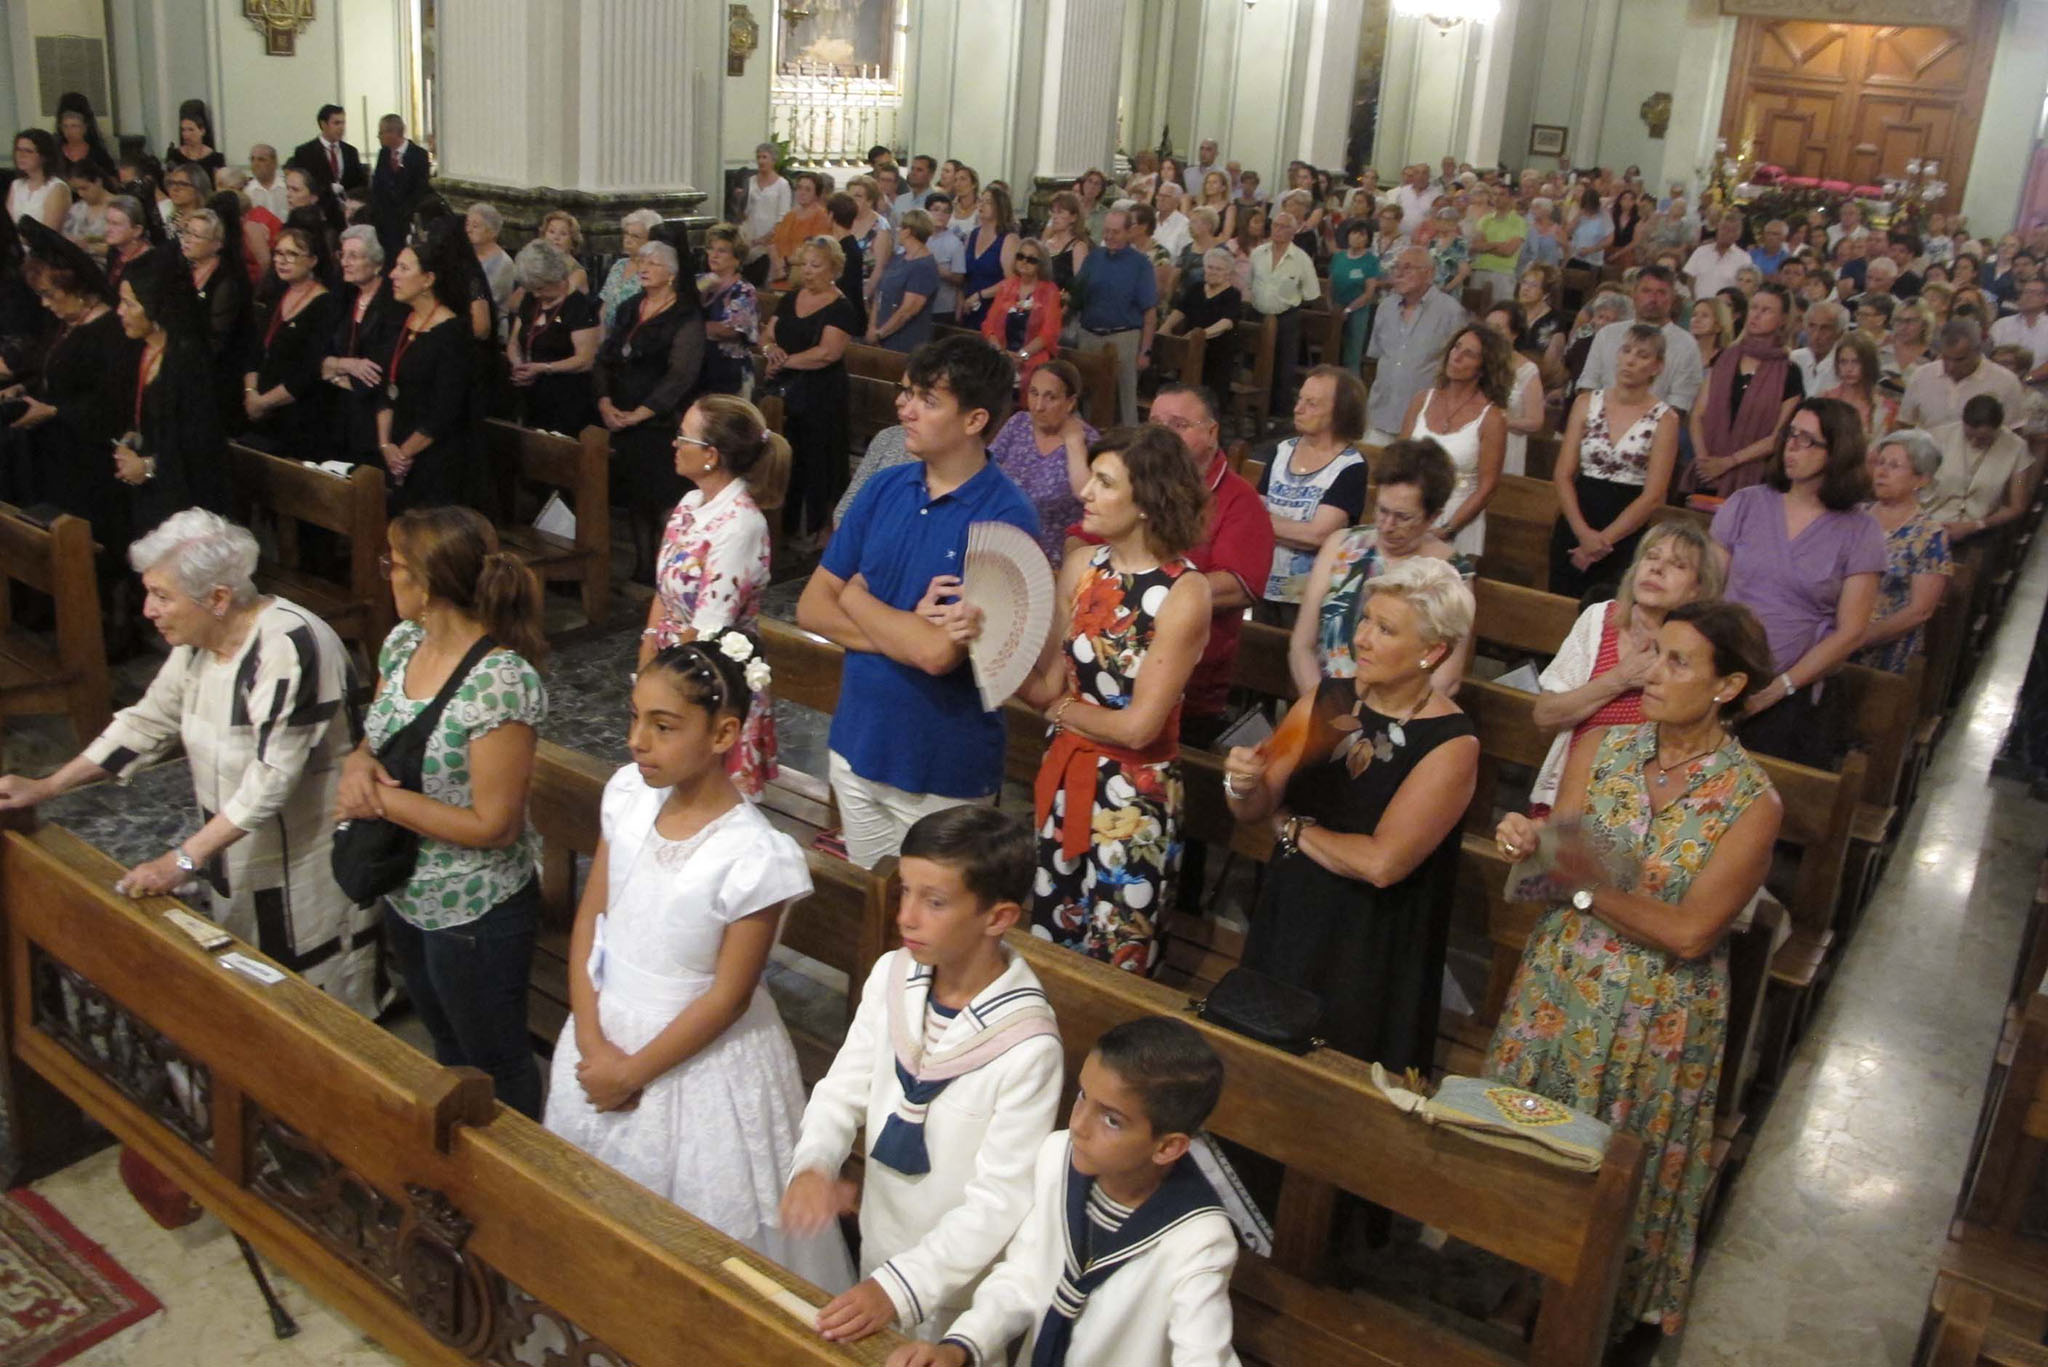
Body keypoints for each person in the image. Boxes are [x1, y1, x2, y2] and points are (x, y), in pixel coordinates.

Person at [1489, 601, 1781, 1349]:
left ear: (1728, 686)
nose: (1652, 672)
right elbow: (1560, 859)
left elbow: (1689, 931)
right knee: (1532, 1141)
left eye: (1679, 662)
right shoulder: (1607, 746)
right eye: (1655, 653)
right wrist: (1532, 841)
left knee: (1621, 1168)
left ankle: (1596, 1307)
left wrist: (1582, 887)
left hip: (1658, 1011)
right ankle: (1520, 1278)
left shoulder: (1751, 801)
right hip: (1561, 987)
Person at [541, 633, 853, 1284]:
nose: (637, 740)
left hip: (695, 1058)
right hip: (603, 1029)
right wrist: (593, 1041)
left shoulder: (753, 854)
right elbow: (590, 921)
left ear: (723, 733)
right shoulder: (628, 794)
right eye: (634, 717)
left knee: (700, 1250)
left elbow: (728, 996)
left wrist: (631, 1073)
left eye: (663, 725)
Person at [0, 510, 382, 1014]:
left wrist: (181, 859)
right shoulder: (202, 641)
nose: (147, 610)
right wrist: (47, 787)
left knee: (315, 1013)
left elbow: (272, 780)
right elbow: (146, 721)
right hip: (233, 848)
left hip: (306, 860)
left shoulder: (290, 647)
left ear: (219, 599)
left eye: (161, 595)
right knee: (250, 1002)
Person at [783, 806, 1063, 1344]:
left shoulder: (1028, 1046)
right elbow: (843, 1088)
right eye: (905, 891)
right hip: (881, 1243)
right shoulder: (893, 975)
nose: (906, 916)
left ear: (998, 918)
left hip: (958, 1285)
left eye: (933, 902)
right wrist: (815, 1162)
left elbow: (999, 1200)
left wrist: (903, 1286)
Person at [1225, 557, 1480, 1068]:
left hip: (1367, 943)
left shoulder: (1452, 742)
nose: (1361, 638)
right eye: (1365, 619)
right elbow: (1254, 806)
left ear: (1432, 652)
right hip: (1291, 916)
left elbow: (1382, 864)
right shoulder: (1326, 698)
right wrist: (1239, 781)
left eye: (1384, 629)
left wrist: (1292, 829)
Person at [796, 336, 1038, 870]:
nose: (905, 409)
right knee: (872, 922)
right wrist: (904, 629)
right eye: (908, 394)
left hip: (942, 765)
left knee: (933, 939)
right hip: (858, 741)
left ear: (975, 419)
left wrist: (856, 596)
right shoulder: (885, 488)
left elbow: (938, 657)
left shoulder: (1005, 517)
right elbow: (811, 608)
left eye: (928, 400)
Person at [342, 507, 547, 1115]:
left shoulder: (501, 681)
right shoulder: (404, 644)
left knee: (496, 1060)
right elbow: (377, 738)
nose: (387, 575)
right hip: (409, 888)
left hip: (476, 908)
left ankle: (524, 1185)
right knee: (448, 1047)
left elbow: (494, 825)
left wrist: (379, 798)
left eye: (394, 565)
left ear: (428, 582)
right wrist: (357, 764)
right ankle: (464, 1175)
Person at [902, 1017, 1238, 1367]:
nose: (1078, 1124)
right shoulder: (1058, 1158)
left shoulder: (1200, 1239)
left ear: (1168, 1148)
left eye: (1111, 1120)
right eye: (1082, 1096)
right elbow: (1024, 1277)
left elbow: (1204, 1355)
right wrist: (961, 1346)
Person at [1020, 426, 1212, 975]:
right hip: (1066, 778)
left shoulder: (1185, 592)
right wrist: (989, 651)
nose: (1085, 492)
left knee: (1115, 955)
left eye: (1104, 482)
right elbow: (1049, 684)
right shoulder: (1082, 567)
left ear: (1148, 501)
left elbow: (1138, 728)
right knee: (1052, 936)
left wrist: (1058, 713)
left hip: (1134, 798)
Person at [1710, 398, 1883, 766]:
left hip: (1793, 689)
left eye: (1808, 440)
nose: (1792, 446)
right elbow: (1708, 590)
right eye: (1791, 434)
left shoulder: (1860, 530)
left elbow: (1851, 631)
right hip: (1720, 673)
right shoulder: (1746, 504)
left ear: (1837, 452)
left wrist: (1779, 688)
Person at [640, 395, 788, 793]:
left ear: (711, 455)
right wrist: (645, 672)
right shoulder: (691, 504)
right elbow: (664, 591)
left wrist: (667, 693)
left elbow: (708, 630)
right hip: (671, 666)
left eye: (682, 437)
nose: (674, 444)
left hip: (710, 685)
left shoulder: (740, 525)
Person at [1528, 523, 1723, 809]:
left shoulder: (1699, 649)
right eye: (1651, 557)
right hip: (1567, 797)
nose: (1657, 569)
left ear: (1698, 590)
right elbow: (1545, 715)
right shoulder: (1598, 619)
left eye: (1677, 565)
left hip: (1645, 810)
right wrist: (1619, 679)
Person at [1146, 385, 1276, 755]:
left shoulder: (1240, 501)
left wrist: (1147, 592)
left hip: (1190, 687)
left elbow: (1236, 585)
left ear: (1212, 432)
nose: (1162, 435)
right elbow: (1081, 540)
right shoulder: (1136, 481)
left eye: (1178, 424)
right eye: (1155, 423)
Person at [1288, 438, 1474, 696]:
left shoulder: (1452, 574)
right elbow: (1302, 646)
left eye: (1403, 517)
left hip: (1398, 719)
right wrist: (1320, 709)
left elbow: (1446, 678)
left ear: (1433, 516)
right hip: (1323, 703)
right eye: (1382, 511)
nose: (1386, 526)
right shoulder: (1341, 545)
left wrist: (1380, 720)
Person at [10, 223, 128, 546]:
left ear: (76, 287)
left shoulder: (110, 332)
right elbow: (49, 370)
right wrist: (23, 389)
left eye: (49, 294)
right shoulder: (65, 323)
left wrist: (54, 411)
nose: (45, 304)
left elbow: (110, 403)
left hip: (88, 463)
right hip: (52, 453)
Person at [594, 238, 705, 577]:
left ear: (671, 273)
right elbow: (605, 356)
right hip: (623, 416)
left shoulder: (685, 315)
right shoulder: (630, 306)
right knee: (637, 497)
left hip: (662, 422)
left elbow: (681, 376)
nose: (643, 267)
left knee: (665, 498)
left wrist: (642, 413)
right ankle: (643, 565)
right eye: (642, 261)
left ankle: (671, 571)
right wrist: (604, 402)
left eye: (653, 263)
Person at [1548, 324, 1680, 599]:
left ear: (1657, 366)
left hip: (1625, 526)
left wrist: (1603, 541)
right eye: (1626, 350)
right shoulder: (1586, 403)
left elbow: (1654, 495)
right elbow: (1563, 473)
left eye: (1642, 355)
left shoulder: (1665, 419)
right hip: (1578, 516)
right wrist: (1583, 534)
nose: (1630, 360)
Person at [115, 250, 226, 536]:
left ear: (154, 306)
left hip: (188, 503)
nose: (120, 312)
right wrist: (131, 438)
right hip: (150, 495)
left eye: (129, 304)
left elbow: (201, 442)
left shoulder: (189, 359)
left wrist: (150, 466)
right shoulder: (140, 349)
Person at [763, 236, 860, 546]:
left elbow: (827, 353)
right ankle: (784, 527)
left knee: (818, 462)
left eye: (815, 265)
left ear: (833, 268)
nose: (807, 271)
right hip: (786, 391)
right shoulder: (791, 298)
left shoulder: (842, 307)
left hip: (822, 394)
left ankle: (819, 528)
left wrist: (785, 362)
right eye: (804, 264)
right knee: (786, 457)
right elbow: (767, 333)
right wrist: (770, 350)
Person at [374, 229, 477, 510]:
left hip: (434, 457)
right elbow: (386, 388)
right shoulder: (402, 320)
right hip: (395, 450)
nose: (392, 274)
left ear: (428, 280)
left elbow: (445, 410)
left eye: (403, 268)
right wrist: (386, 446)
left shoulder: (452, 333)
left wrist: (403, 455)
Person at [1259, 365, 1370, 609]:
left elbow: (1317, 536)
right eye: (1300, 400)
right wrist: (1291, 528)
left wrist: (1267, 522)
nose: (1298, 409)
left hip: (1311, 596)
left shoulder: (1350, 467)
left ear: (1339, 413)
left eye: (1312, 403)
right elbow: (1253, 514)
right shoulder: (1281, 451)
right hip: (1262, 581)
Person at [1686, 282, 1802, 497]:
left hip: (1752, 479)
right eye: (1754, 308)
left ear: (1783, 319)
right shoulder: (1724, 357)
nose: (1756, 315)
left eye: (1766, 310)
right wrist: (1704, 461)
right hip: (1705, 471)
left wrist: (1728, 462)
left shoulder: (1789, 372)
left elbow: (1778, 435)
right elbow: (1697, 415)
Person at [1403, 324, 1510, 558]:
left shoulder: (1491, 418)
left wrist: (1447, 529)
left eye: (1469, 354)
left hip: (1457, 518)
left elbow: (1487, 487)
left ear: (1484, 367)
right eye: (1456, 347)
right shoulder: (1422, 400)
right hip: (1410, 511)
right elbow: (1399, 461)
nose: (1457, 356)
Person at [1854, 429, 1951, 674]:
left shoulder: (1929, 535)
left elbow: (1920, 610)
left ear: (1921, 480)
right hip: (1829, 633)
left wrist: (1857, 638)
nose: (1882, 472)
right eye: (1880, 463)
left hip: (1883, 650)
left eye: (1895, 466)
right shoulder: (1853, 517)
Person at [241, 224, 339, 459]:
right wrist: (250, 392)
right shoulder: (277, 294)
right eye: (278, 253)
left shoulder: (325, 305)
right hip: (261, 409)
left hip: (299, 415)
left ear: (313, 260)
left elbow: (309, 370)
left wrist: (264, 402)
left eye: (292, 254)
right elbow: (255, 349)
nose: (282, 261)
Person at [987, 360, 1094, 565]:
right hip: (1003, 543)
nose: (1038, 406)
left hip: (1053, 557)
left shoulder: (1087, 440)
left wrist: (1074, 444)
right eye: (1034, 393)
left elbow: (1086, 495)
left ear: (1070, 402)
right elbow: (986, 469)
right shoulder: (1018, 423)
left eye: (1050, 397)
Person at [1363, 246, 1465, 445]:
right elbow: (1376, 357)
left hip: (1424, 423)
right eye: (1396, 267)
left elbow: (1459, 373)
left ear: (1429, 274)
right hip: (1380, 416)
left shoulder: (1451, 312)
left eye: (1408, 268)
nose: (1399, 274)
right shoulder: (1386, 307)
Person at [317, 226, 399, 467]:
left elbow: (376, 371)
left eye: (354, 256)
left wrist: (335, 371)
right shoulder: (345, 298)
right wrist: (345, 365)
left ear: (377, 263)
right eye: (343, 255)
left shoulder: (392, 306)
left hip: (372, 417)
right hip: (338, 412)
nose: (345, 262)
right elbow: (317, 356)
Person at [1576, 266, 1705, 418]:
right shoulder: (1607, 334)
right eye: (1646, 291)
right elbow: (1588, 385)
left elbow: (1680, 404)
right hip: (1600, 424)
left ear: (1673, 298)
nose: (1653, 299)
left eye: (1661, 292)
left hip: (1654, 430)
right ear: (1634, 294)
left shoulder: (1687, 345)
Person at [506, 239, 600, 435]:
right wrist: (518, 365)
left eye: (540, 288)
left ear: (557, 278)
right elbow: (515, 339)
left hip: (566, 397)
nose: (536, 293)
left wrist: (543, 368)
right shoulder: (531, 299)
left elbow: (586, 360)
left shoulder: (579, 307)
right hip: (531, 394)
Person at [1073, 210, 1158, 427]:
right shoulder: (1093, 258)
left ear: (1129, 232)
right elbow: (1077, 297)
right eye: (1107, 231)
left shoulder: (1140, 264)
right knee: (1089, 398)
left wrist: (1145, 351)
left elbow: (1149, 311)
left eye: (1116, 232)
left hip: (1123, 337)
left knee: (1125, 398)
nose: (1109, 236)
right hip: (1089, 334)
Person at [1923, 396, 2035, 543]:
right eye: (1969, 436)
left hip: (1981, 529)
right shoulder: (1938, 437)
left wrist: (1976, 525)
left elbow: (2017, 506)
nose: (1974, 443)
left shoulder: (2018, 448)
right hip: (1929, 522)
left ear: (1998, 428)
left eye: (1983, 439)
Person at [1251, 211, 1322, 419]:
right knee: (1256, 364)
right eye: (1275, 225)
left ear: (1294, 231)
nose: (1278, 230)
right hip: (1259, 316)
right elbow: (1250, 283)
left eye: (1284, 226)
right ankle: (1256, 408)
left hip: (1286, 317)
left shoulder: (1301, 259)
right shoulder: (1258, 253)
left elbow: (1311, 293)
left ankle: (1279, 414)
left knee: (1283, 366)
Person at [1899, 318, 2026, 430]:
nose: (1951, 366)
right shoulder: (1921, 375)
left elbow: (2014, 433)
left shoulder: (2006, 382)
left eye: (1960, 359)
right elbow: (1905, 424)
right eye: (1946, 358)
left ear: (1977, 350)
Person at [976, 231, 1059, 386]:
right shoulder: (1007, 286)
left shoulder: (1050, 291)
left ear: (1041, 264)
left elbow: (1049, 333)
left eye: (1031, 259)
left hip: (1034, 361)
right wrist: (1002, 354)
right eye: (1020, 257)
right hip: (1003, 359)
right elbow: (989, 326)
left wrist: (1022, 355)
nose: (1024, 262)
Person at [1483, 301, 1547, 476]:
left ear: (1514, 334)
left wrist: (1500, 421)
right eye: (1487, 327)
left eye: (1498, 329)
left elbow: (1535, 421)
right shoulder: (1475, 362)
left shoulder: (1527, 370)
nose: (1490, 334)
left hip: (1508, 445)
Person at [696, 223, 760, 396]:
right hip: (696, 368)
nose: (713, 255)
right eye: (710, 248)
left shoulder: (744, 290)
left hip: (729, 372)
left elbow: (730, 330)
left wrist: (692, 326)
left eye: (722, 250)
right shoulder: (700, 281)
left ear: (737, 257)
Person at [870, 208, 943, 355]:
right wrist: (872, 327)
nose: (898, 231)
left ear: (909, 231)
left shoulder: (924, 267)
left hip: (905, 342)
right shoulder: (899, 258)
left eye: (901, 227)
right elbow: (880, 293)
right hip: (881, 334)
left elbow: (908, 310)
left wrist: (880, 333)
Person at [368, 114, 431, 266]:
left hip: (406, 220)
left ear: (393, 133)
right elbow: (378, 186)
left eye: (381, 133)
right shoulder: (383, 154)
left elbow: (420, 189)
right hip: (385, 222)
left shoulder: (419, 155)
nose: (379, 137)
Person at [955, 187, 1019, 330]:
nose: (981, 205)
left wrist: (981, 295)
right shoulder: (973, 235)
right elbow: (963, 274)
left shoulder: (1008, 239)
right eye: (981, 200)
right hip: (969, 305)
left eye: (988, 202)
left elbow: (1012, 280)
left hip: (994, 306)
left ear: (1000, 207)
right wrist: (960, 299)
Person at [1328, 218, 1383, 371]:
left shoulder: (1370, 260)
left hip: (1357, 310)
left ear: (1368, 239)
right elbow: (1330, 283)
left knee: (1352, 353)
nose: (1357, 237)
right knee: (1333, 351)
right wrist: (1330, 305)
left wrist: (1349, 309)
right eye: (1354, 233)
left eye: (1362, 235)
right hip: (1337, 307)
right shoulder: (1339, 257)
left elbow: (1369, 293)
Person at [599, 208, 659, 333]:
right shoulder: (619, 265)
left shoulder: (655, 271)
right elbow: (605, 304)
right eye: (626, 233)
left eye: (635, 236)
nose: (627, 240)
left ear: (651, 241)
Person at [739, 142, 791, 285]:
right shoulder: (750, 181)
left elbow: (783, 217)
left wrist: (765, 238)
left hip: (770, 242)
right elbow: (745, 212)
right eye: (759, 157)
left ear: (773, 160)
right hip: (750, 239)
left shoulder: (782, 185)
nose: (761, 161)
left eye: (764, 157)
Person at [1820, 329, 1883, 440]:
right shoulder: (1825, 400)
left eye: (1856, 362)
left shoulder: (1882, 407)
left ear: (1869, 363)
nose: (1848, 369)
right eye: (1843, 362)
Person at [1472, 183, 1528, 306]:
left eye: (1502, 194)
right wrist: (1498, 244)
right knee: (1473, 313)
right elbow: (1476, 246)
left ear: (1511, 198)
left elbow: (1508, 251)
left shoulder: (1519, 222)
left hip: (1503, 273)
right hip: (1480, 269)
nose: (1497, 198)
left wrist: (1486, 246)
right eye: (1494, 194)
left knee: (1498, 314)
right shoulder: (1484, 220)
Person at [464, 203, 516, 328]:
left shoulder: (504, 264)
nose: (468, 230)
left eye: (475, 226)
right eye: (467, 224)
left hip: (489, 322)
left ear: (492, 232)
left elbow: (491, 299)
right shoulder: (462, 252)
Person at [289, 104, 361, 196]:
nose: (341, 128)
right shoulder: (305, 152)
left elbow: (359, 183)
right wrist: (328, 188)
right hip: (318, 207)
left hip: (347, 207)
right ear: (323, 124)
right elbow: (303, 184)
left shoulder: (351, 151)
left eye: (343, 123)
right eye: (336, 123)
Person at [10, 129, 74, 231]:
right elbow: (7, 224)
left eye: (28, 151)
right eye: (18, 150)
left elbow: (48, 234)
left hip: (43, 246)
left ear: (44, 156)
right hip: (14, 245)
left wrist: (12, 238)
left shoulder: (57, 188)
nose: (21, 155)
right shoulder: (16, 185)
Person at [1683, 212, 1752, 300]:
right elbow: (1690, 278)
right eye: (1724, 228)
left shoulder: (1744, 258)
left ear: (1739, 234)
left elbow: (1745, 287)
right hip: (1700, 306)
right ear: (1718, 228)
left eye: (1733, 230)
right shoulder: (1701, 251)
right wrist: (1694, 300)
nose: (1728, 233)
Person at [1990, 277, 2048, 375]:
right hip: (2000, 380)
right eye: (2025, 292)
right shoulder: (2002, 324)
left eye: (2033, 292)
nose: (2027, 296)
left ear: (2046, 299)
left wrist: (2028, 379)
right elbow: (1989, 356)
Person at [54, 91, 116, 181]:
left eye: (74, 126)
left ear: (85, 127)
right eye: (65, 126)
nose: (69, 131)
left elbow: (112, 180)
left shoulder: (98, 153)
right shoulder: (55, 152)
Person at [163, 100, 224, 175]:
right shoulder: (174, 156)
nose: (186, 134)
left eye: (191, 130)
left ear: (202, 131)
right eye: (183, 130)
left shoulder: (215, 158)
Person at [1567, 186, 1614, 270]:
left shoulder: (1604, 216)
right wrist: (1578, 216)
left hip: (1593, 261)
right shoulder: (1580, 214)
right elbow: (1568, 232)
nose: (1588, 209)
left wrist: (1591, 249)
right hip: (1575, 257)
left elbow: (1609, 239)